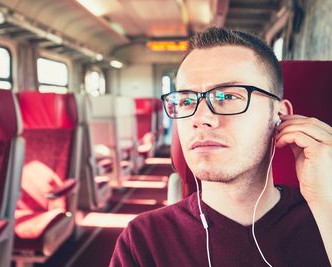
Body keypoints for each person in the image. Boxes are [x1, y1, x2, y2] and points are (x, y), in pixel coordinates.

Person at [110, 27, 332, 267]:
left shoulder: (323, 217)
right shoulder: (144, 240)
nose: (200, 118)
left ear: (279, 115)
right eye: (186, 100)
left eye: (227, 97)